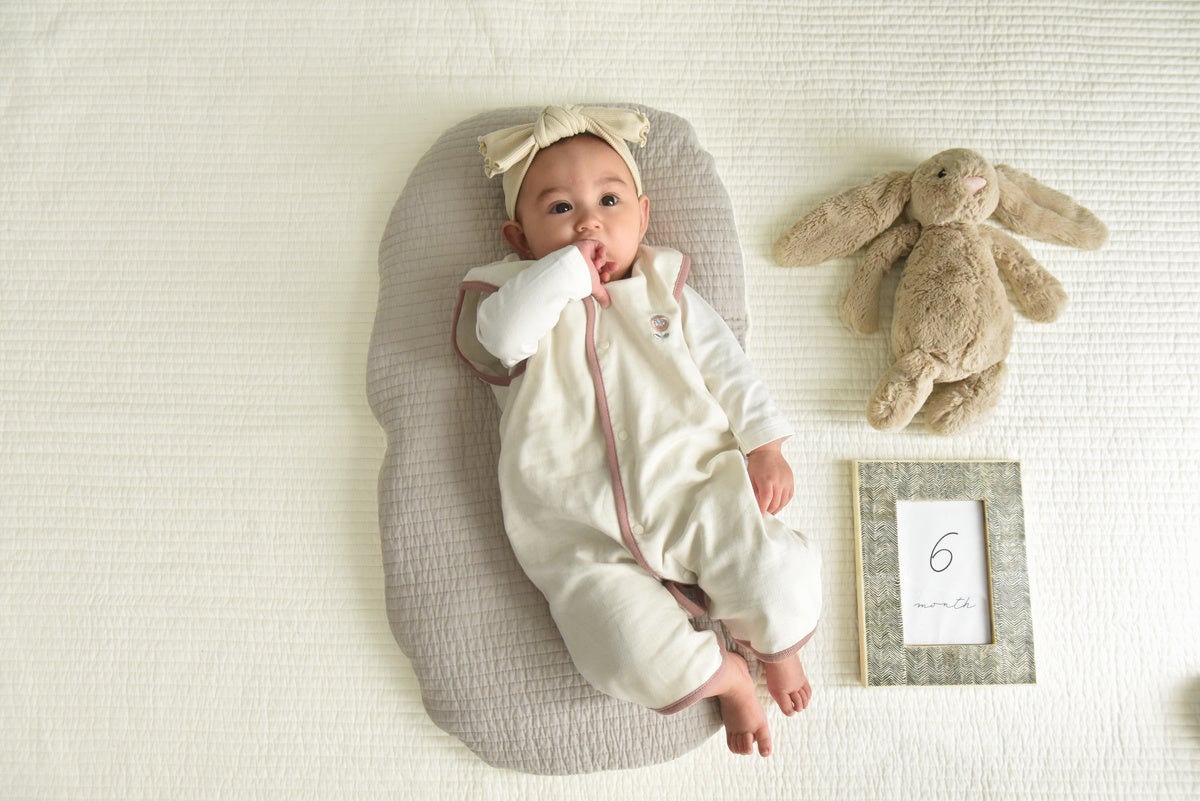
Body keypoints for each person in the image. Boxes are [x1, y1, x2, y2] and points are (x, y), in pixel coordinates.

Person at [452, 105, 821, 757]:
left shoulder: (664, 290)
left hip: (695, 486)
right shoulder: (515, 299)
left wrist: (766, 444)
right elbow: (501, 338)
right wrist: (565, 274)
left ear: (642, 217)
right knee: (618, 645)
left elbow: (729, 366)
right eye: (559, 208)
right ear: (519, 238)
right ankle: (725, 677)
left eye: (609, 200)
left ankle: (777, 645)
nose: (588, 222)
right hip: (578, 526)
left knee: (773, 573)